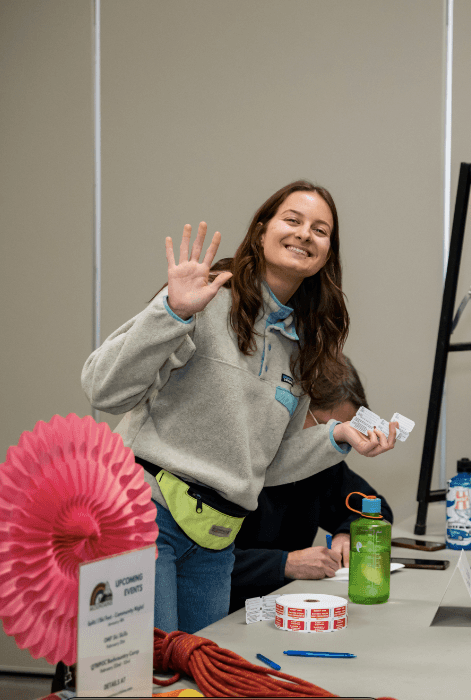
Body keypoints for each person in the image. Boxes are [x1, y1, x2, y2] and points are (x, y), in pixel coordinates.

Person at [82, 180, 398, 634]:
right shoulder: (205, 298)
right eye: (293, 220)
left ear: (328, 254)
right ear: (262, 228)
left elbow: (267, 465)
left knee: (203, 675)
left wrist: (337, 437)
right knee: (155, 675)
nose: (305, 233)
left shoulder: (303, 345)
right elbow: (102, 388)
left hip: (217, 538)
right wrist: (171, 313)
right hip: (147, 514)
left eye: (320, 229)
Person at [229, 358, 394, 613]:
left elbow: (377, 506)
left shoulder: (320, 464)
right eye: (331, 430)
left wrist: (348, 533)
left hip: (286, 607)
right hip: (228, 614)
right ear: (294, 410)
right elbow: (199, 563)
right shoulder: (237, 460)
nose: (333, 443)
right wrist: (284, 564)